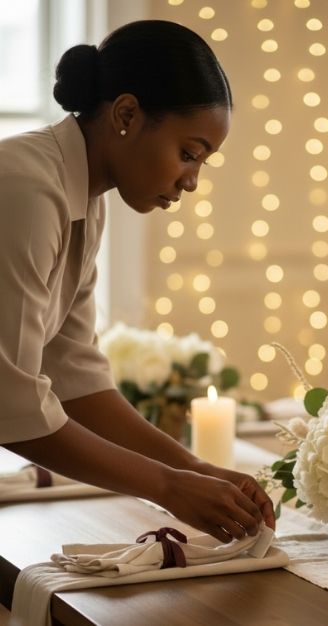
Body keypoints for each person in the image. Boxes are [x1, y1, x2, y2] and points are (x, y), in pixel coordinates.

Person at [0, 20, 275, 543]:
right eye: (189, 153)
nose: (191, 180)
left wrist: (196, 469)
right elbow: (9, 402)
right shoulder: (27, 191)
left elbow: (74, 373)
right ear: (126, 114)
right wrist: (170, 487)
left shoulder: (84, 197)